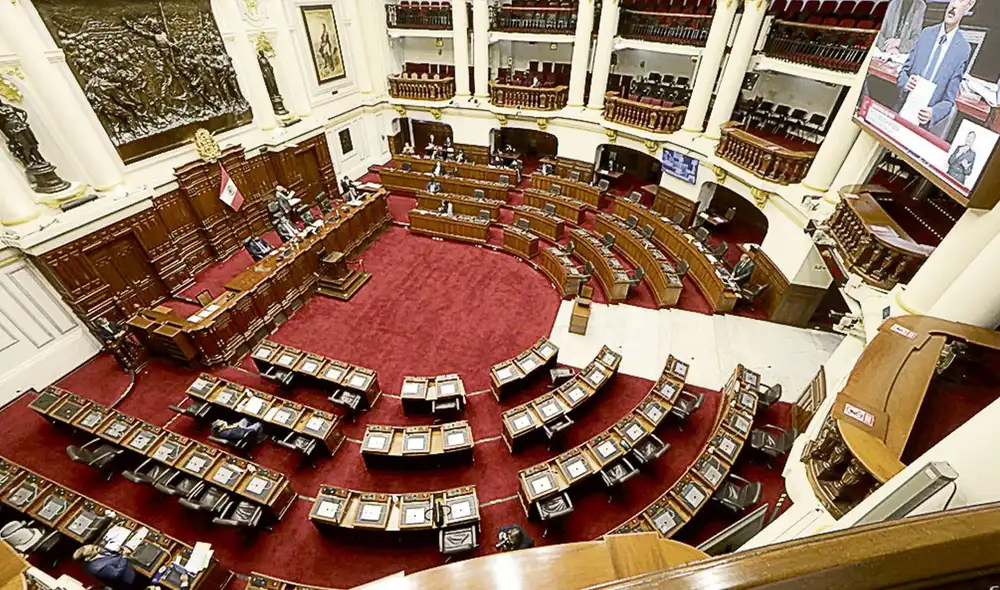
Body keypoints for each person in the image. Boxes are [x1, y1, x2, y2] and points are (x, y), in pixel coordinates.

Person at [895, 0, 976, 137]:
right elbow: (904, 71)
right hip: (902, 110)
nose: (953, 6)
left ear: (969, 6)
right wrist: (905, 82)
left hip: (922, 125)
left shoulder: (963, 49)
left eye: (960, 1)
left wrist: (933, 113)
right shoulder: (926, 34)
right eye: (952, 0)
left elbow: (949, 101)